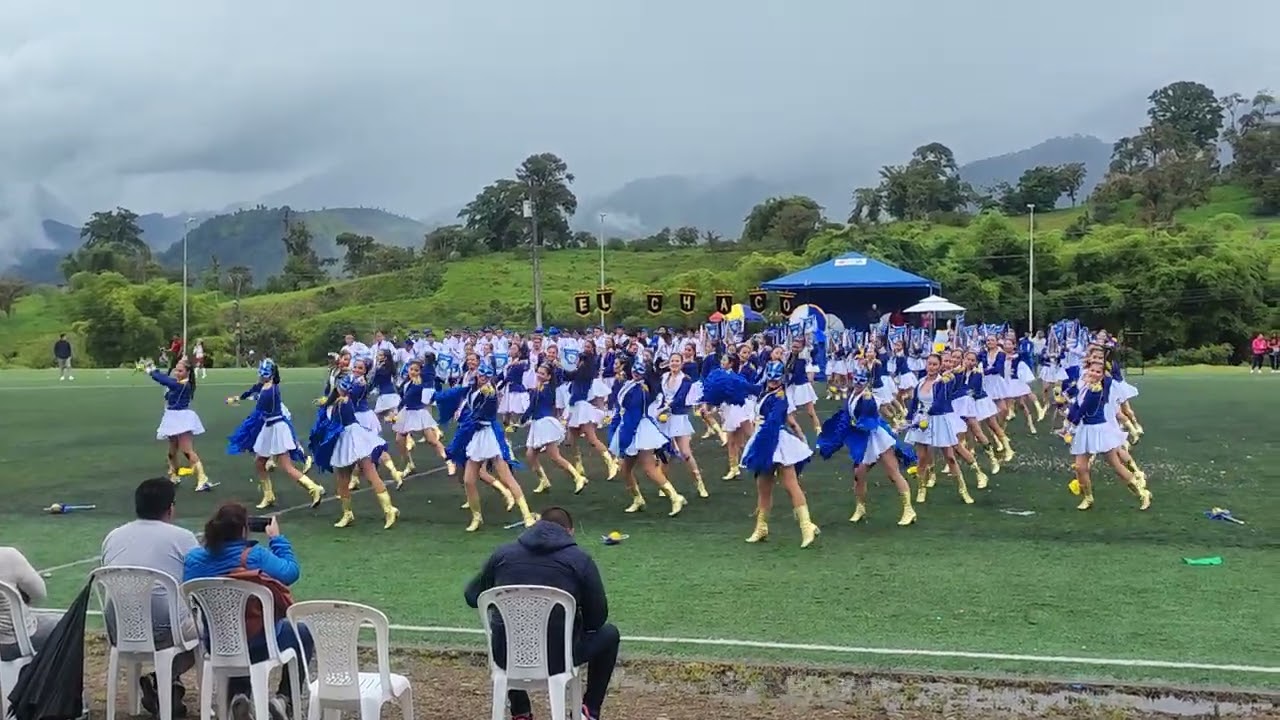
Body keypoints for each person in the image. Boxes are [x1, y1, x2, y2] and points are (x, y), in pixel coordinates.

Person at [464, 507, 618, 720]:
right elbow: (597, 619)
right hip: (559, 658)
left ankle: (521, 712)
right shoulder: (580, 560)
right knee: (609, 634)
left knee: (507, 628)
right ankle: (588, 711)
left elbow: (472, 597)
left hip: (507, 656)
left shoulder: (502, 555)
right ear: (570, 531)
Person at [183, 503, 313, 720]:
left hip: (216, 642)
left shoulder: (194, 559)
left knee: (234, 631)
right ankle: (284, 700)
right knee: (301, 633)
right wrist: (276, 539)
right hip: (257, 640)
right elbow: (290, 572)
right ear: (244, 529)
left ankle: (238, 696)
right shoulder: (255, 556)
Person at [101, 478, 202, 718]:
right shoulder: (183, 537)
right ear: (170, 508)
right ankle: (164, 679)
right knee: (207, 626)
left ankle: (166, 684)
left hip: (119, 627)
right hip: (166, 630)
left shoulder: (113, 536)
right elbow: (197, 580)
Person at [0, 547, 61, 659]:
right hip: (14, 642)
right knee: (64, 625)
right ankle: (52, 675)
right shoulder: (8, 556)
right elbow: (39, 594)